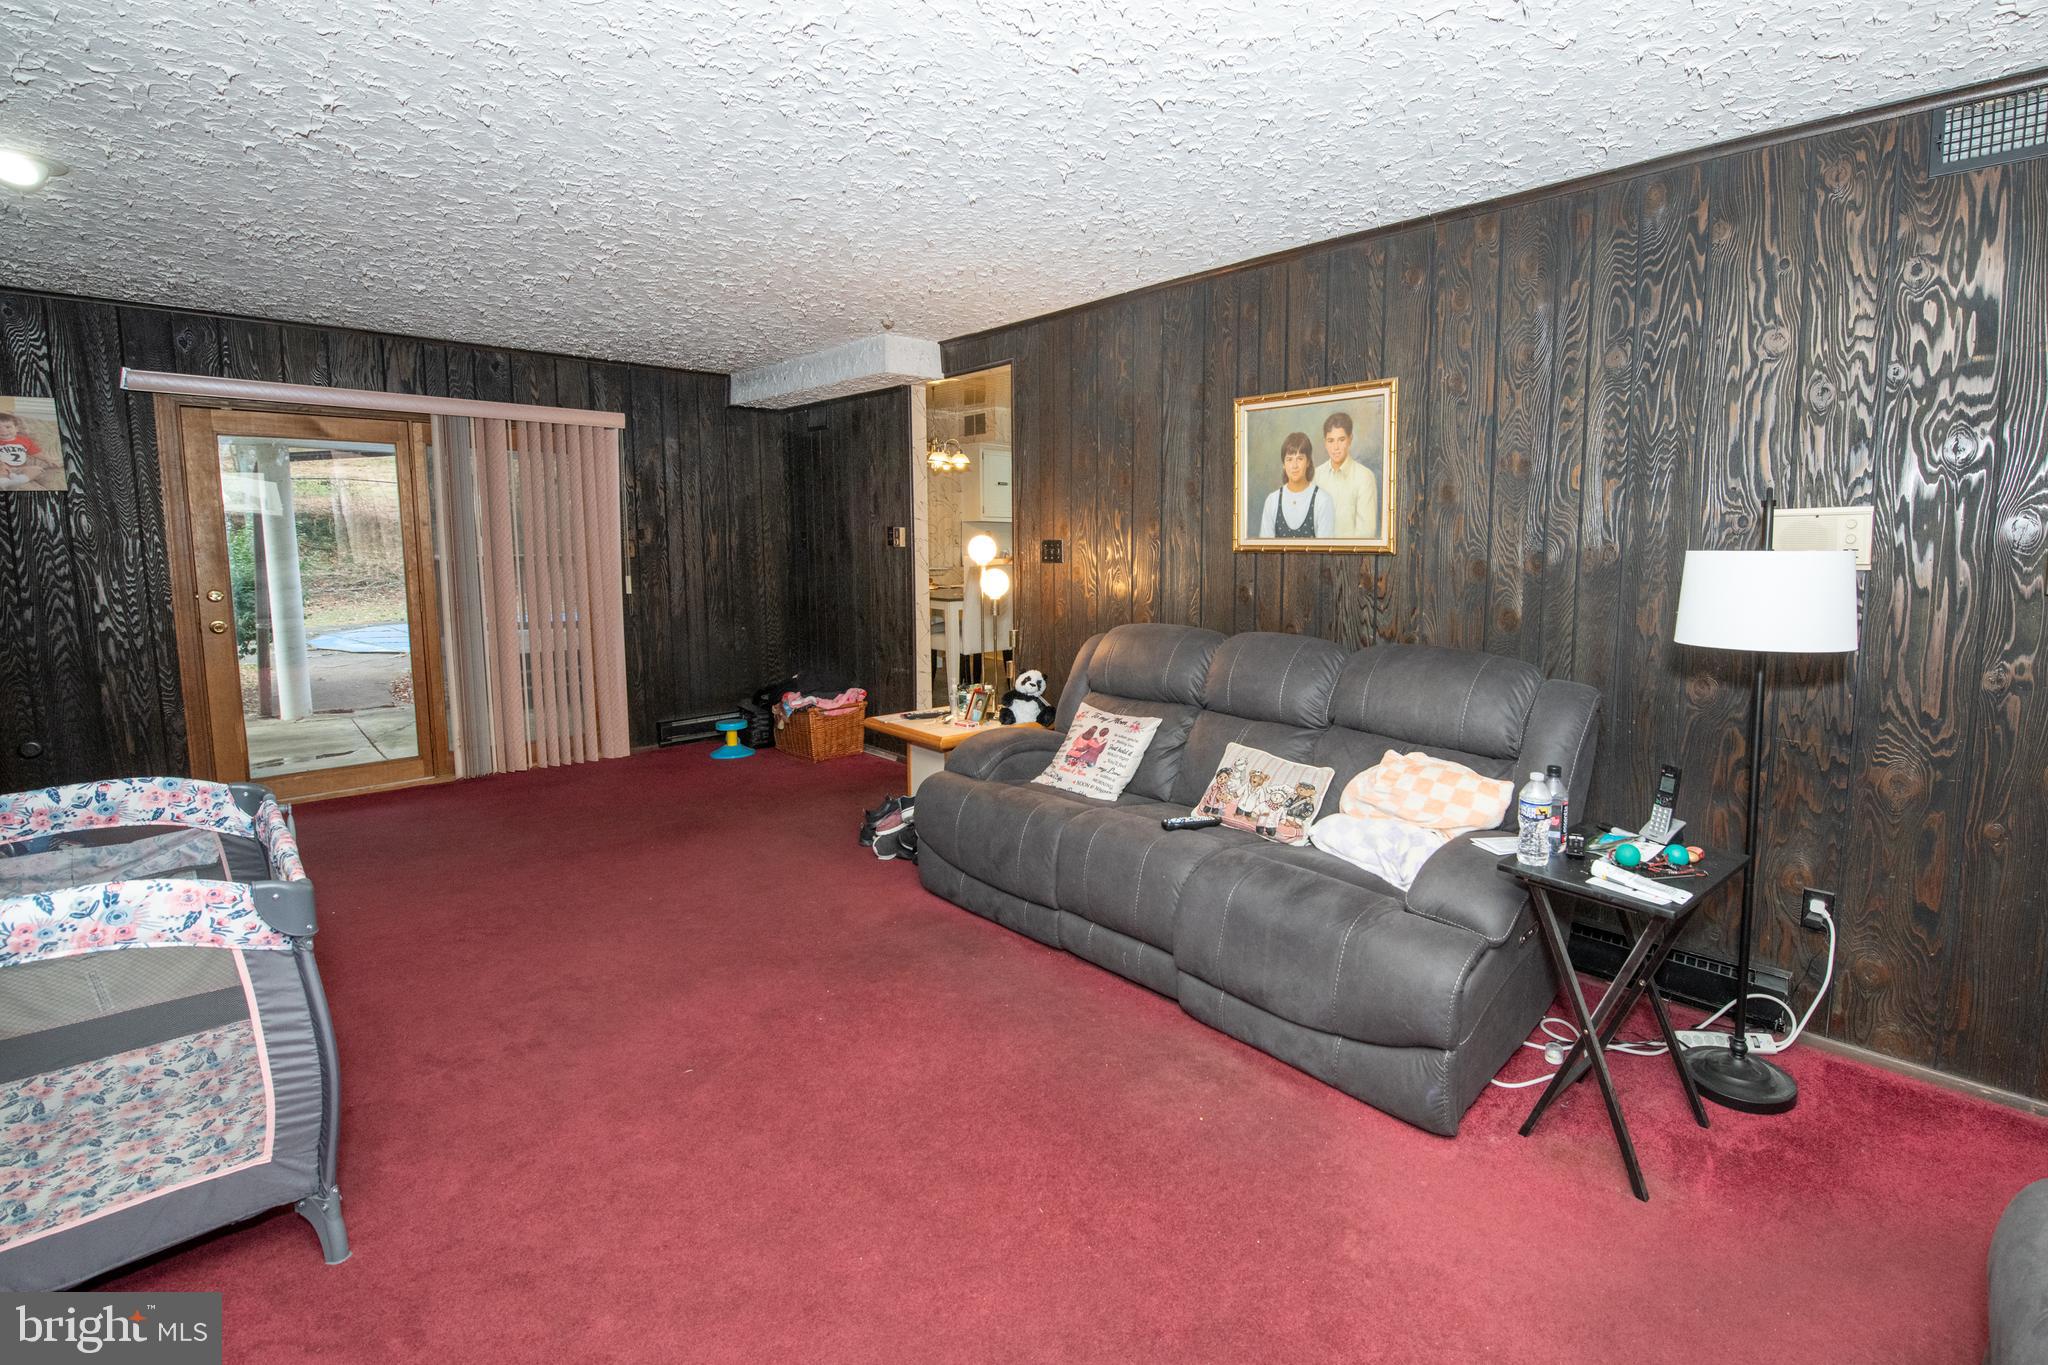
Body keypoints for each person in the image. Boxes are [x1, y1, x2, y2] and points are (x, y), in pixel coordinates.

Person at [1312, 410, 1380, 539]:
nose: (1335, 447)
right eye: (1331, 441)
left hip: (1351, 557)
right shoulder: (1316, 476)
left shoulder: (1365, 477)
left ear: (1350, 439)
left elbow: (1366, 534)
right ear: (1325, 442)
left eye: (1341, 440)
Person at [1257, 432, 1334, 539]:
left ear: (1308, 462)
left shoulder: (1323, 500)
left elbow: (1325, 550)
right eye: (1289, 459)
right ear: (1283, 464)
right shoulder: (1272, 501)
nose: (1294, 465)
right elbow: (1265, 549)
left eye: (1300, 458)